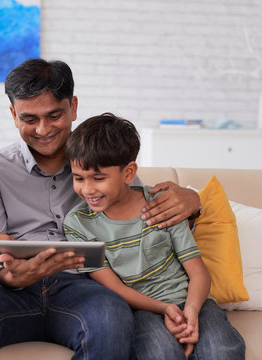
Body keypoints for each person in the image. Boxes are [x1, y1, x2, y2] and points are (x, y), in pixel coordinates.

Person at [0, 58, 202, 360]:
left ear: (73, 107)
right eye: (29, 119)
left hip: (84, 286)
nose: (43, 129)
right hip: (12, 291)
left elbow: (139, 212)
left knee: (112, 320)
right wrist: (8, 276)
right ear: (13, 115)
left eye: (54, 115)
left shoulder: (102, 158)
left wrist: (194, 201)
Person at [63, 113, 246, 360]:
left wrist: (190, 311)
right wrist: (165, 309)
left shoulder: (161, 204)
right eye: (78, 178)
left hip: (191, 300)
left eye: (98, 178)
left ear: (128, 173)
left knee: (222, 351)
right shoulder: (78, 224)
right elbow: (114, 287)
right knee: (161, 354)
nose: (87, 189)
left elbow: (198, 272)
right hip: (140, 309)